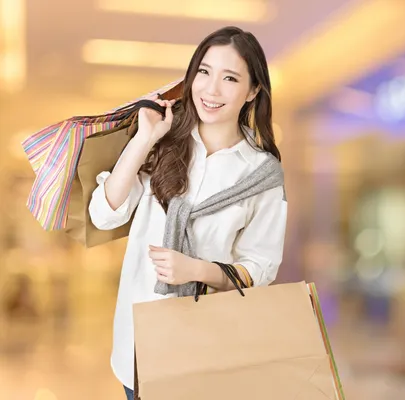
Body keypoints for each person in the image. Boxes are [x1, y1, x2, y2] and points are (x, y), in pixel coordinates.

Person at [88, 26, 288, 400]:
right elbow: (104, 213)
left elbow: (261, 267)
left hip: (210, 348)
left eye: (230, 78)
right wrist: (144, 137)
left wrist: (198, 270)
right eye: (204, 72)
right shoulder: (163, 145)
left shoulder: (262, 175)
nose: (211, 90)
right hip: (139, 345)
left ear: (252, 91)